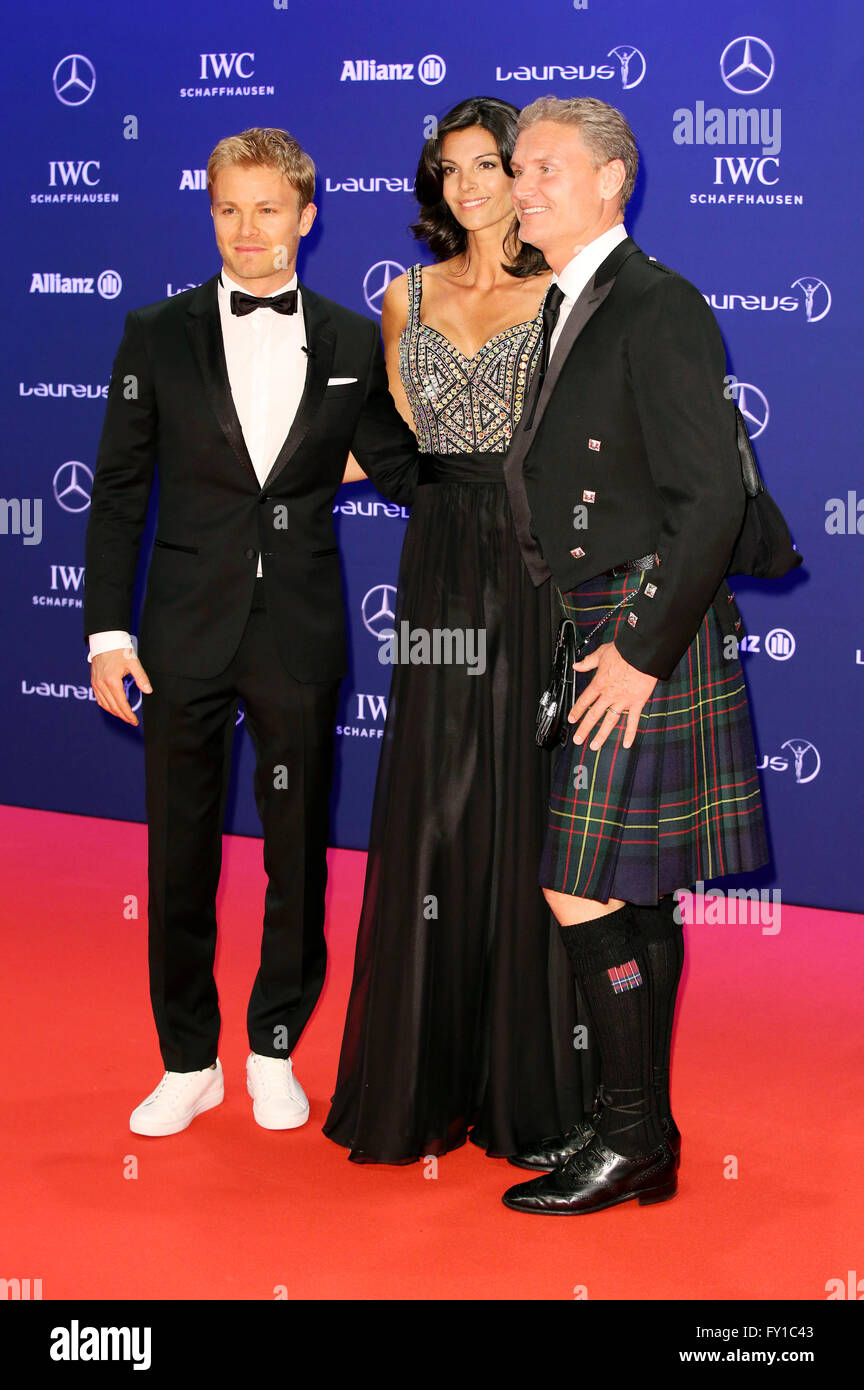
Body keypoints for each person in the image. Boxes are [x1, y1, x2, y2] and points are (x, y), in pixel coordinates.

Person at [84, 127, 420, 1137]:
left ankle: (274, 1043)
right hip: (183, 630)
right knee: (178, 852)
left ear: (307, 216)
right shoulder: (156, 331)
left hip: (299, 631)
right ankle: (187, 1058)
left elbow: (402, 467)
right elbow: (117, 494)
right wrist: (106, 631)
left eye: (268, 208)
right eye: (229, 207)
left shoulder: (357, 340)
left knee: (298, 851)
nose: (247, 229)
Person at [497, 97, 769, 1214]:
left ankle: (628, 1133)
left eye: (546, 169)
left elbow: (710, 501)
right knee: (634, 898)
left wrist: (643, 651)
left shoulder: (658, 305)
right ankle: (636, 1127)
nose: (521, 186)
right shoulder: (570, 300)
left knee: (575, 887)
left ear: (614, 179)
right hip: (598, 621)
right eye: (518, 169)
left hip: (646, 631)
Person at [324, 97, 591, 1164]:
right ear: (434, 181)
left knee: (524, 803)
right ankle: (420, 1082)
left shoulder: (565, 292)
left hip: (531, 571)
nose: (473, 184)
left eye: (490, 163)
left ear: (523, 177)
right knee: (437, 802)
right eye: (453, 167)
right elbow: (393, 440)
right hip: (437, 568)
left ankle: (531, 1089)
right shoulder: (407, 295)